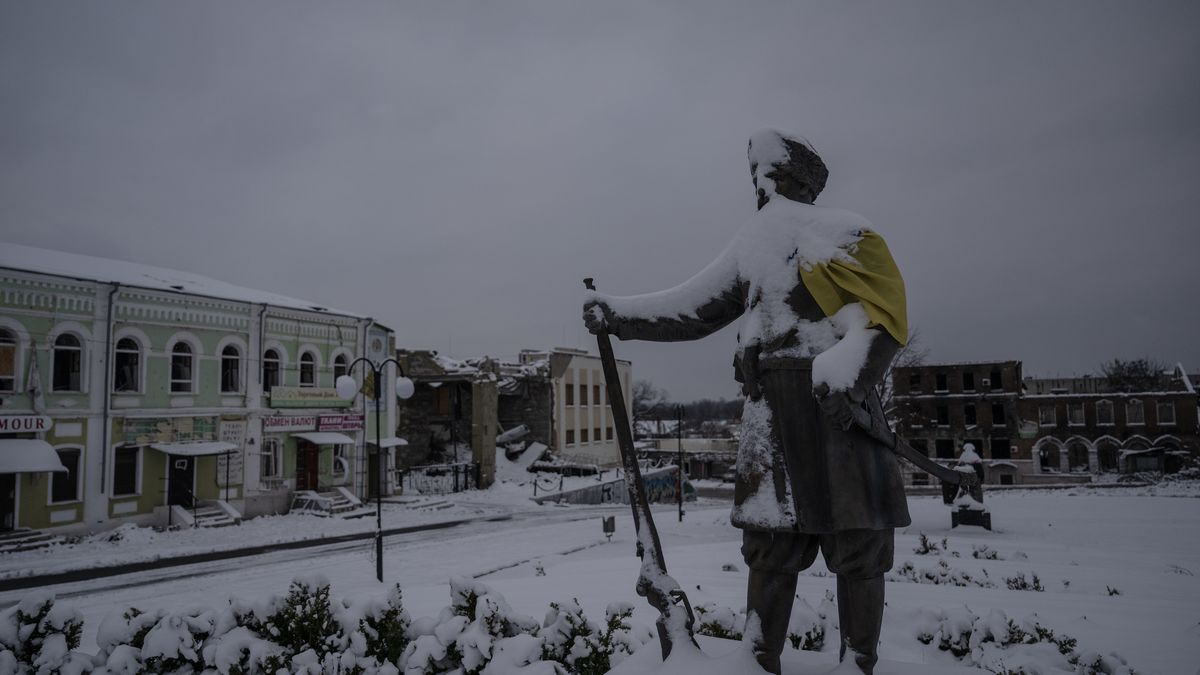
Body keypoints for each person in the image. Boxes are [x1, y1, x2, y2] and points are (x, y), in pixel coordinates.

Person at [582, 130, 911, 674]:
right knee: (770, 546)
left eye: (772, 174)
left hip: (837, 415)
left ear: (801, 181)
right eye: (757, 176)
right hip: (772, 415)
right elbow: (696, 308)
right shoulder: (756, 241)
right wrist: (619, 315)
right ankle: (757, 663)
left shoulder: (848, 234)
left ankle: (859, 665)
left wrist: (850, 383)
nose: (762, 186)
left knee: (860, 547)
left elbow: (885, 320)